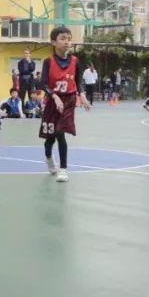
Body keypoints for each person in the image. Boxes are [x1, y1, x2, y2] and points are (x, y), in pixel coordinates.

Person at [37, 27, 89, 183]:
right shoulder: (48, 61)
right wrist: (53, 96)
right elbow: (43, 84)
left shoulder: (75, 61)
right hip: (53, 102)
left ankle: (64, 169)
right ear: (54, 42)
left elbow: (78, 81)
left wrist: (83, 95)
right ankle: (48, 157)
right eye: (63, 38)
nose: (67, 41)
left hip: (68, 101)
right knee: (50, 138)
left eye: (69, 38)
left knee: (60, 133)